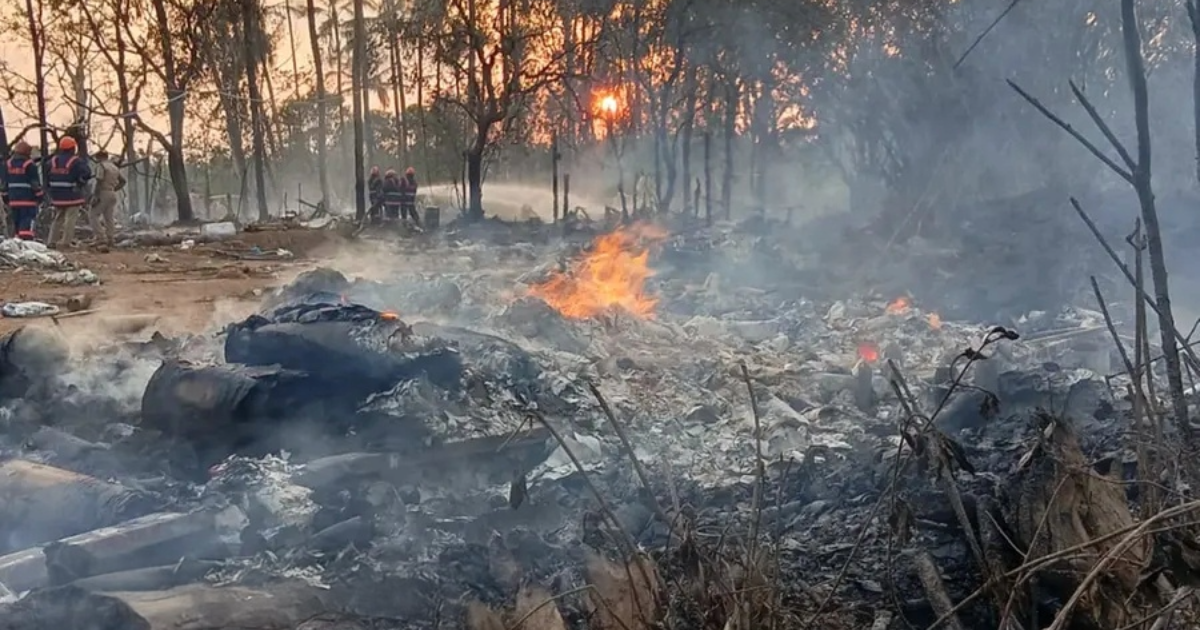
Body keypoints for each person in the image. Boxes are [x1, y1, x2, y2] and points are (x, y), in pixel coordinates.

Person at [45, 136, 92, 249]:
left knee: (58, 218)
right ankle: (66, 242)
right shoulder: (76, 161)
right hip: (72, 194)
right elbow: (87, 173)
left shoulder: (52, 161)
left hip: (56, 195)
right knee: (70, 219)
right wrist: (81, 181)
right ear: (72, 148)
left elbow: (47, 177)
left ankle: (51, 241)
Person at [1, 141, 43, 240]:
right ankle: (26, 242)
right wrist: (40, 197)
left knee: (16, 223)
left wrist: (6, 198)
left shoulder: (8, 164)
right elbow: (35, 184)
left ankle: (17, 242)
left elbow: (4, 184)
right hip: (28, 200)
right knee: (26, 224)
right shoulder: (30, 165)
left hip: (13, 200)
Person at [90, 150, 125, 246]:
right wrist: (114, 189)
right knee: (109, 217)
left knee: (93, 215)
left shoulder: (101, 166)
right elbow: (123, 181)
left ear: (99, 157)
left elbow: (99, 180)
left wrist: (95, 195)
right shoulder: (114, 167)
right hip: (112, 193)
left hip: (103, 192)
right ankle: (110, 239)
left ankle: (100, 237)